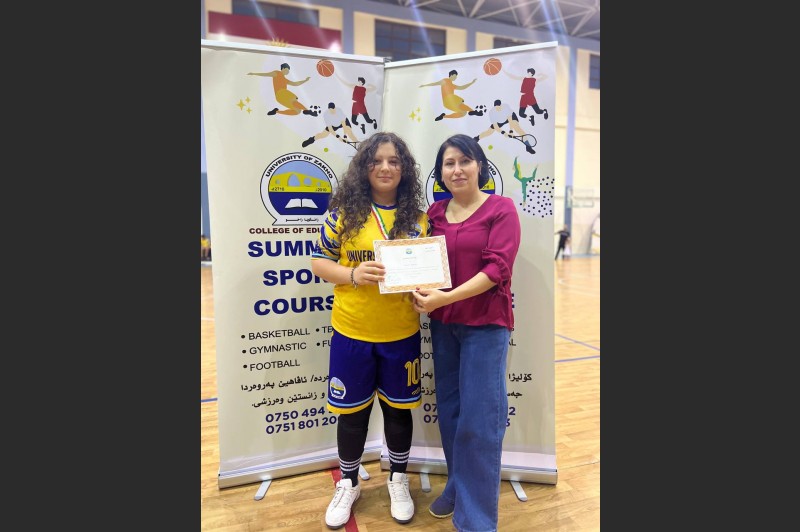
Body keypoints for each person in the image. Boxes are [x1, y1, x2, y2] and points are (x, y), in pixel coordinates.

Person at [310, 132, 430, 529]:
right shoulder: (343, 213)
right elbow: (318, 262)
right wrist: (352, 274)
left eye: (394, 161)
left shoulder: (418, 218)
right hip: (352, 333)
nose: (385, 167)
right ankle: (348, 483)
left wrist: (425, 290)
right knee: (352, 414)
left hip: (401, 334)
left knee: (398, 411)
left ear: (404, 168)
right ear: (364, 167)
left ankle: (398, 478)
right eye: (376, 160)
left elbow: (427, 271)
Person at [411, 134, 521, 532]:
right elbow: (422, 263)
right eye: (449, 163)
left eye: (464, 161)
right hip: (444, 326)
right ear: (440, 173)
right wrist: (417, 289)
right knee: (451, 413)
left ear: (480, 166)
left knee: (479, 419)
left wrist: (446, 297)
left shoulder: (501, 209)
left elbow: (497, 270)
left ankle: (476, 521)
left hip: (485, 327)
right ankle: (458, 485)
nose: (457, 169)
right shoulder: (435, 213)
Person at [247, 63, 318, 116]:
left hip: (280, 98)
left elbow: (295, 84)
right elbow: (266, 74)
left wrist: (305, 80)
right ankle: (307, 111)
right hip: (281, 93)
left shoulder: (285, 80)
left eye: (288, 71)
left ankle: (276, 111)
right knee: (293, 99)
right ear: (283, 68)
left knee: (298, 111)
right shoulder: (277, 73)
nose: (288, 72)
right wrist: (254, 73)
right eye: (287, 70)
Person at [419, 70, 484, 121]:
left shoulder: (452, 85)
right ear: (451, 75)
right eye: (455, 76)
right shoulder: (445, 81)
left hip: (449, 104)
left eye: (456, 77)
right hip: (448, 100)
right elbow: (435, 83)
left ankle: (443, 116)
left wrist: (471, 83)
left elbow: (462, 87)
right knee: (459, 100)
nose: (455, 78)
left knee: (463, 113)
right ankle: (473, 111)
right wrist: (425, 85)